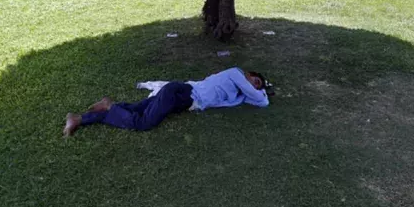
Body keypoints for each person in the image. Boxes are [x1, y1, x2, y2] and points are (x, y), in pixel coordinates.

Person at [63, 67, 272, 137]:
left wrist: (259, 91)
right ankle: (110, 106)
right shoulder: (235, 73)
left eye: (257, 86)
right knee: (143, 123)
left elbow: (252, 98)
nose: (254, 87)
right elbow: (262, 102)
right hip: (180, 94)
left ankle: (80, 119)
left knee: (135, 109)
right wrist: (263, 92)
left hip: (179, 96)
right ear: (248, 74)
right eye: (255, 81)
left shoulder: (236, 92)